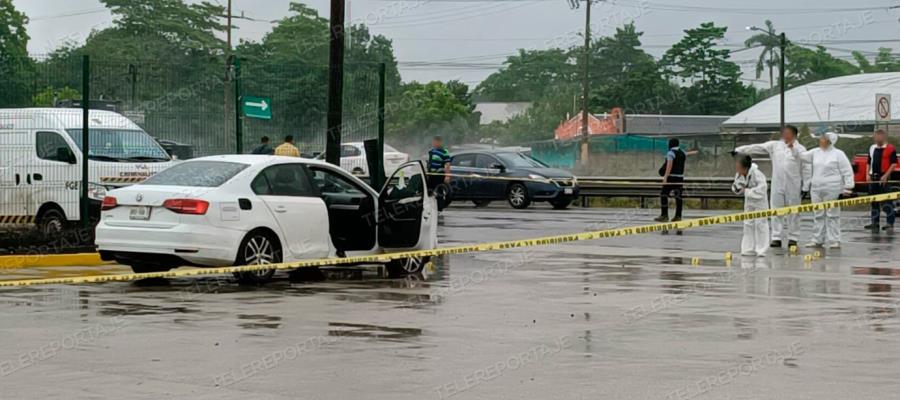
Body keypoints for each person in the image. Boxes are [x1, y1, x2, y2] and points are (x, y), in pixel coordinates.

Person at [734, 124, 810, 248]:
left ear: (794, 135)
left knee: (794, 212)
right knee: (776, 210)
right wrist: (739, 150)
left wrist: (806, 185)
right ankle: (776, 237)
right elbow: (757, 148)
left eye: (788, 133)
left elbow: (806, 167)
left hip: (794, 184)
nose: (785, 135)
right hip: (778, 183)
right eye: (784, 133)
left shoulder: (801, 149)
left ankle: (793, 238)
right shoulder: (775, 146)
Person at [796, 132, 854, 248]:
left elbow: (847, 171)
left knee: (832, 215)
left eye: (823, 139)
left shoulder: (838, 154)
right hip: (816, 188)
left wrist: (848, 187)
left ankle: (834, 240)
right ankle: (817, 239)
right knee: (818, 214)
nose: (820, 140)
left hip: (833, 188)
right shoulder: (815, 152)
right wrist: (792, 147)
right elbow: (802, 156)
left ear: (830, 141)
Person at [732, 154, 770, 257]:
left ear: (745, 167)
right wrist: (737, 189)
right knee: (748, 223)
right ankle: (748, 249)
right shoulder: (739, 174)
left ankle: (761, 249)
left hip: (760, 201)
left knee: (760, 224)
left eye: (739, 167)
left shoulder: (757, 174)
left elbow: (763, 189)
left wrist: (747, 191)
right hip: (749, 202)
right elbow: (737, 185)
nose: (737, 169)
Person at [864, 129, 896, 232]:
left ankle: (889, 222)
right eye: (876, 137)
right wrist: (867, 175)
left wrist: (886, 175)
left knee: (887, 201)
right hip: (873, 177)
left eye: (879, 137)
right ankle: (875, 222)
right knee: (874, 201)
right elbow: (868, 162)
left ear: (883, 137)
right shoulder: (872, 148)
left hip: (884, 177)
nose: (877, 139)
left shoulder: (890, 148)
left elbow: (894, 163)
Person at [655, 138, 686, 222]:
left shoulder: (670, 153)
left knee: (664, 194)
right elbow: (686, 154)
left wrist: (665, 177)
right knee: (678, 197)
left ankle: (664, 215)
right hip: (680, 178)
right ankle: (678, 216)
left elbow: (669, 165)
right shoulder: (682, 152)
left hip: (671, 178)